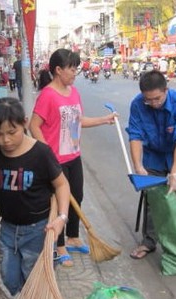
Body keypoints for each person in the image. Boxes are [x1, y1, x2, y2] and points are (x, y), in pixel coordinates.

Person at [29, 48, 116, 267]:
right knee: (60, 202)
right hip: (55, 159)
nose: (75, 72)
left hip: (73, 155)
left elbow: (78, 120)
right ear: (58, 70)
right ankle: (59, 246)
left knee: (77, 195)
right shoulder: (48, 95)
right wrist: (46, 153)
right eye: (72, 68)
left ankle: (74, 236)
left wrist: (104, 120)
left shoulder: (73, 92)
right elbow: (34, 125)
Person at [0, 97, 70, 295]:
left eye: (12, 132)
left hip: (38, 230)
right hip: (8, 228)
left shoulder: (41, 153)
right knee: (9, 277)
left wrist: (62, 218)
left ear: (24, 122)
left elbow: (62, 185)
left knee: (35, 278)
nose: (6, 140)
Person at [127, 70, 176, 259]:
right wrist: (138, 166)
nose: (153, 104)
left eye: (157, 99)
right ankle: (149, 242)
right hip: (154, 157)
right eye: (148, 100)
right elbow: (135, 135)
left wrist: (175, 173)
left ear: (166, 90)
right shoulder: (137, 104)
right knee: (153, 201)